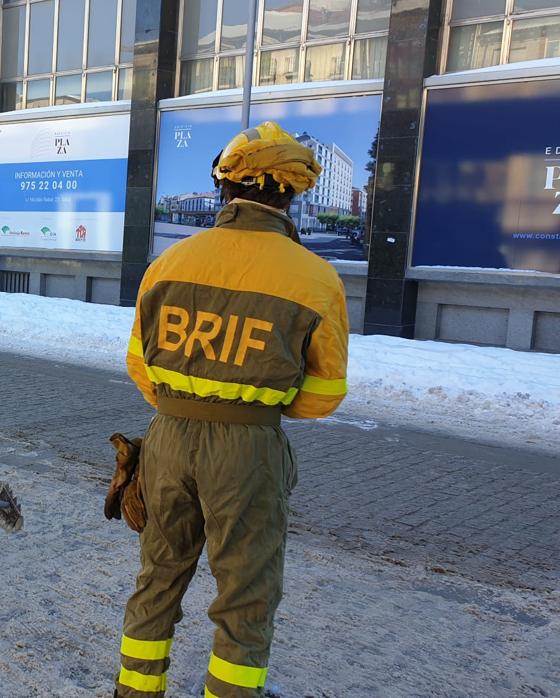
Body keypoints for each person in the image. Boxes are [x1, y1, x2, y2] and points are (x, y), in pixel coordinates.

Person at [115, 122, 349, 698]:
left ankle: (135, 691)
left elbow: (139, 366)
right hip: (247, 452)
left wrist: (184, 404)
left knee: (159, 576)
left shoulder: (168, 263)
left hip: (167, 438)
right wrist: (253, 403)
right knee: (246, 591)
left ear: (223, 188)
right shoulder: (316, 278)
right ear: (291, 195)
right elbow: (325, 395)